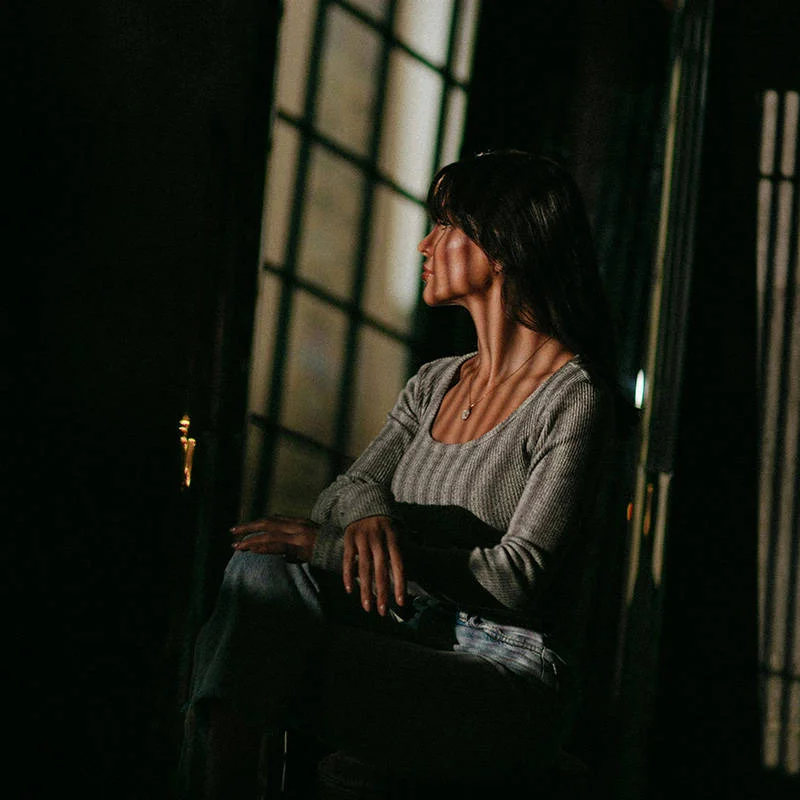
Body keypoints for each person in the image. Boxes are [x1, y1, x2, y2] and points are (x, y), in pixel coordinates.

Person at [179, 149, 622, 799]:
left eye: (444, 224)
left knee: (252, 649)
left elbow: (515, 579)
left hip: (504, 668)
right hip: (406, 631)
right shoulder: (434, 382)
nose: (424, 243)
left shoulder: (573, 395)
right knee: (259, 571)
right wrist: (371, 517)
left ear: (502, 246)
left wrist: (335, 548)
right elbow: (342, 493)